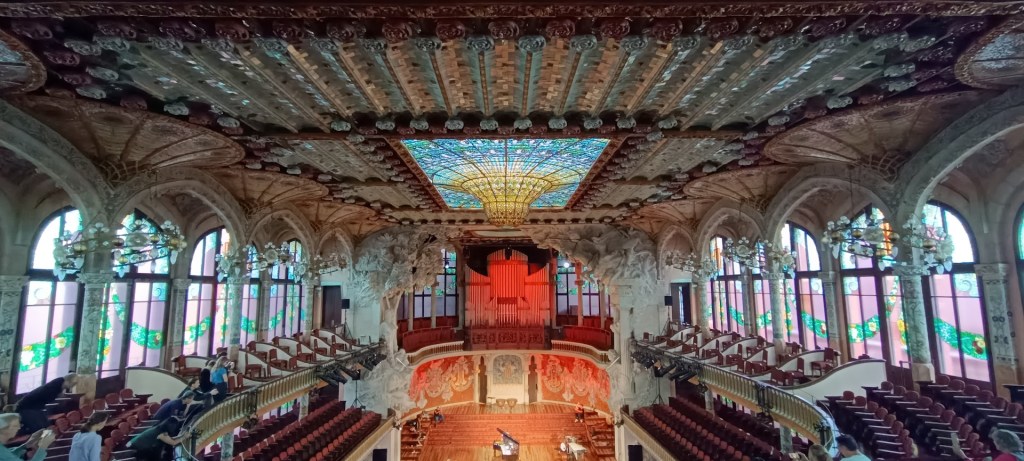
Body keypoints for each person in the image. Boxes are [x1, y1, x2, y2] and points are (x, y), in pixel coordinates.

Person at [953, 429, 1024, 461]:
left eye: (994, 440)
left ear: (1001, 442)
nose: (993, 442)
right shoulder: (1021, 454)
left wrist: (963, 457)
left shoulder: (1007, 458)